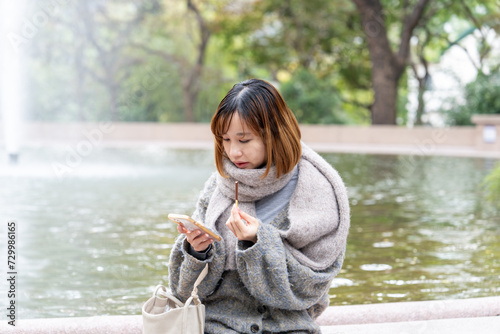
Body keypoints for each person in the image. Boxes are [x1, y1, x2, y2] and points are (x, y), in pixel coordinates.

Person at [168, 79, 350, 334]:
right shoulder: (218, 187)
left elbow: (311, 287)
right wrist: (197, 252)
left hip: (288, 326)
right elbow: (182, 290)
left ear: (275, 133)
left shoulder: (316, 189)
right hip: (218, 326)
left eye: (244, 140)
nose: (233, 152)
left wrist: (258, 241)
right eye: (226, 140)